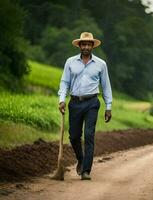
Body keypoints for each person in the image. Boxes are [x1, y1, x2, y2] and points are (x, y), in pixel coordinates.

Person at [58, 32, 113, 180]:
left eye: (89, 44)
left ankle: (86, 171)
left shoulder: (101, 64)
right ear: (80, 46)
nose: (86, 47)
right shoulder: (70, 62)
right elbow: (65, 82)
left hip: (92, 103)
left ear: (92, 46)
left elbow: (106, 86)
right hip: (74, 103)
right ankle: (81, 159)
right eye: (84, 44)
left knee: (89, 135)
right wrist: (62, 99)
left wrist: (108, 107)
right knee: (74, 136)